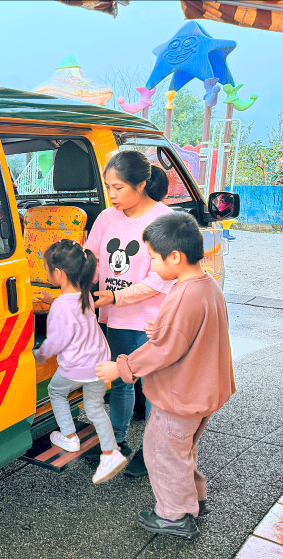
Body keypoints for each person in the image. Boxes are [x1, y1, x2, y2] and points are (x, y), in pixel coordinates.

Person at [95, 212, 234, 539]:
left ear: (175, 256)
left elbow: (163, 349)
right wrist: (164, 328)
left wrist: (121, 367)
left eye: (154, 258)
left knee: (162, 453)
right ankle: (194, 499)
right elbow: (192, 332)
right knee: (182, 450)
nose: (153, 265)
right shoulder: (206, 284)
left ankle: (173, 516)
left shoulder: (184, 295)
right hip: (204, 391)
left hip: (181, 396)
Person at [81, 150, 174, 477]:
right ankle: (116, 443)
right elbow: (91, 259)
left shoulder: (164, 221)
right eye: (109, 187)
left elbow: (158, 278)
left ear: (142, 184)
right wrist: (76, 283)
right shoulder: (107, 217)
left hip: (152, 321)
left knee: (152, 388)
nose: (113, 195)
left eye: (119, 188)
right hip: (118, 318)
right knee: (121, 382)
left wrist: (116, 296)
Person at [33, 239, 127, 484]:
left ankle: (69, 436)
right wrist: (51, 299)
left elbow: (55, 342)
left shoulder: (60, 308)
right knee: (94, 406)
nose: (46, 273)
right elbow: (68, 306)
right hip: (100, 360)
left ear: (58, 273)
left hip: (76, 366)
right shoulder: (83, 292)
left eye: (46, 269)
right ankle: (110, 451)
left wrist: (38, 356)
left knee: (55, 391)